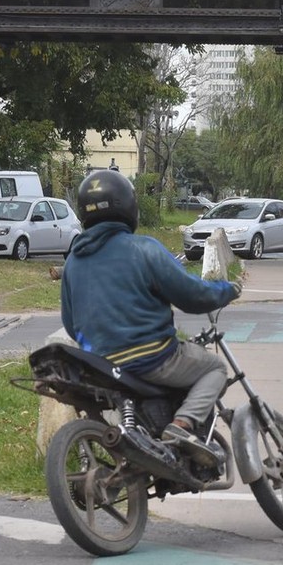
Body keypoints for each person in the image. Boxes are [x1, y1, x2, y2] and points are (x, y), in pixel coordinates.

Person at [60, 169, 242, 466]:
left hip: (98, 366)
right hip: (152, 358)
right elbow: (192, 295)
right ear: (129, 207)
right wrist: (226, 290)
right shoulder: (143, 249)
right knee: (214, 369)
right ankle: (181, 426)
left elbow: (70, 323)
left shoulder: (73, 263)